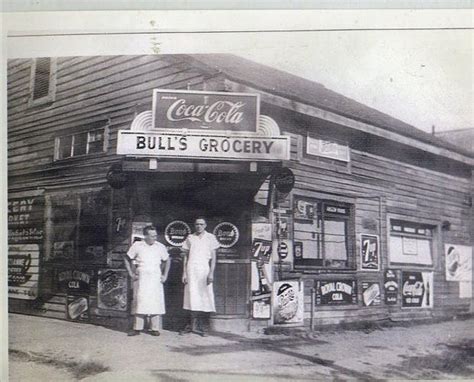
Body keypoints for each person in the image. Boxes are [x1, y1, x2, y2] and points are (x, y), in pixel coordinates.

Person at [124, 225, 170, 336]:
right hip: (142, 278)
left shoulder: (160, 247)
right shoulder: (137, 245)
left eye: (155, 235)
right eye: (152, 236)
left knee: (155, 301)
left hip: (155, 277)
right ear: (145, 236)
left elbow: (167, 260)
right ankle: (137, 328)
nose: (155, 238)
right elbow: (127, 258)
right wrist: (131, 273)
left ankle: (154, 328)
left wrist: (165, 275)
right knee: (140, 301)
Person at [180, 217, 219, 336]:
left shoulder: (210, 238)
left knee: (204, 298)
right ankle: (190, 326)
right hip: (191, 269)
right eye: (197, 224)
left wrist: (211, 273)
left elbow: (213, 258)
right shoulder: (190, 238)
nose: (199, 226)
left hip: (204, 270)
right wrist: (184, 272)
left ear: (205, 225)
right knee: (191, 297)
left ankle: (203, 327)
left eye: (201, 224)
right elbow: (185, 257)